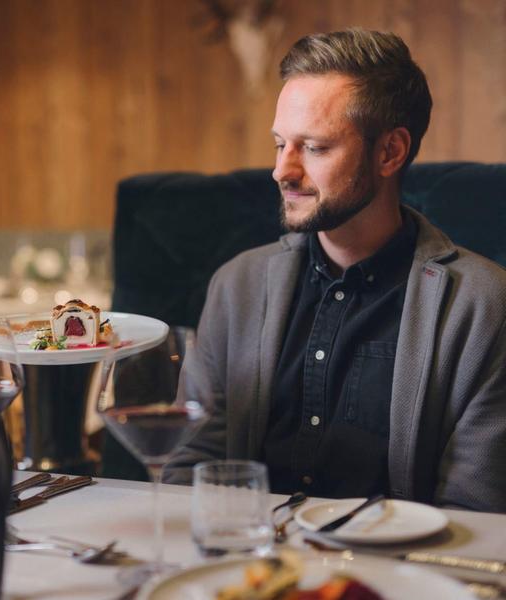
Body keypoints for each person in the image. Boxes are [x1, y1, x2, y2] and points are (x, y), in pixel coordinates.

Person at [167, 28, 506, 512]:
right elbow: (191, 463)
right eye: (280, 143)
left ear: (390, 152)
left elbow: (475, 510)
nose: (282, 170)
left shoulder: (485, 304)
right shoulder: (237, 285)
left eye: (315, 147)